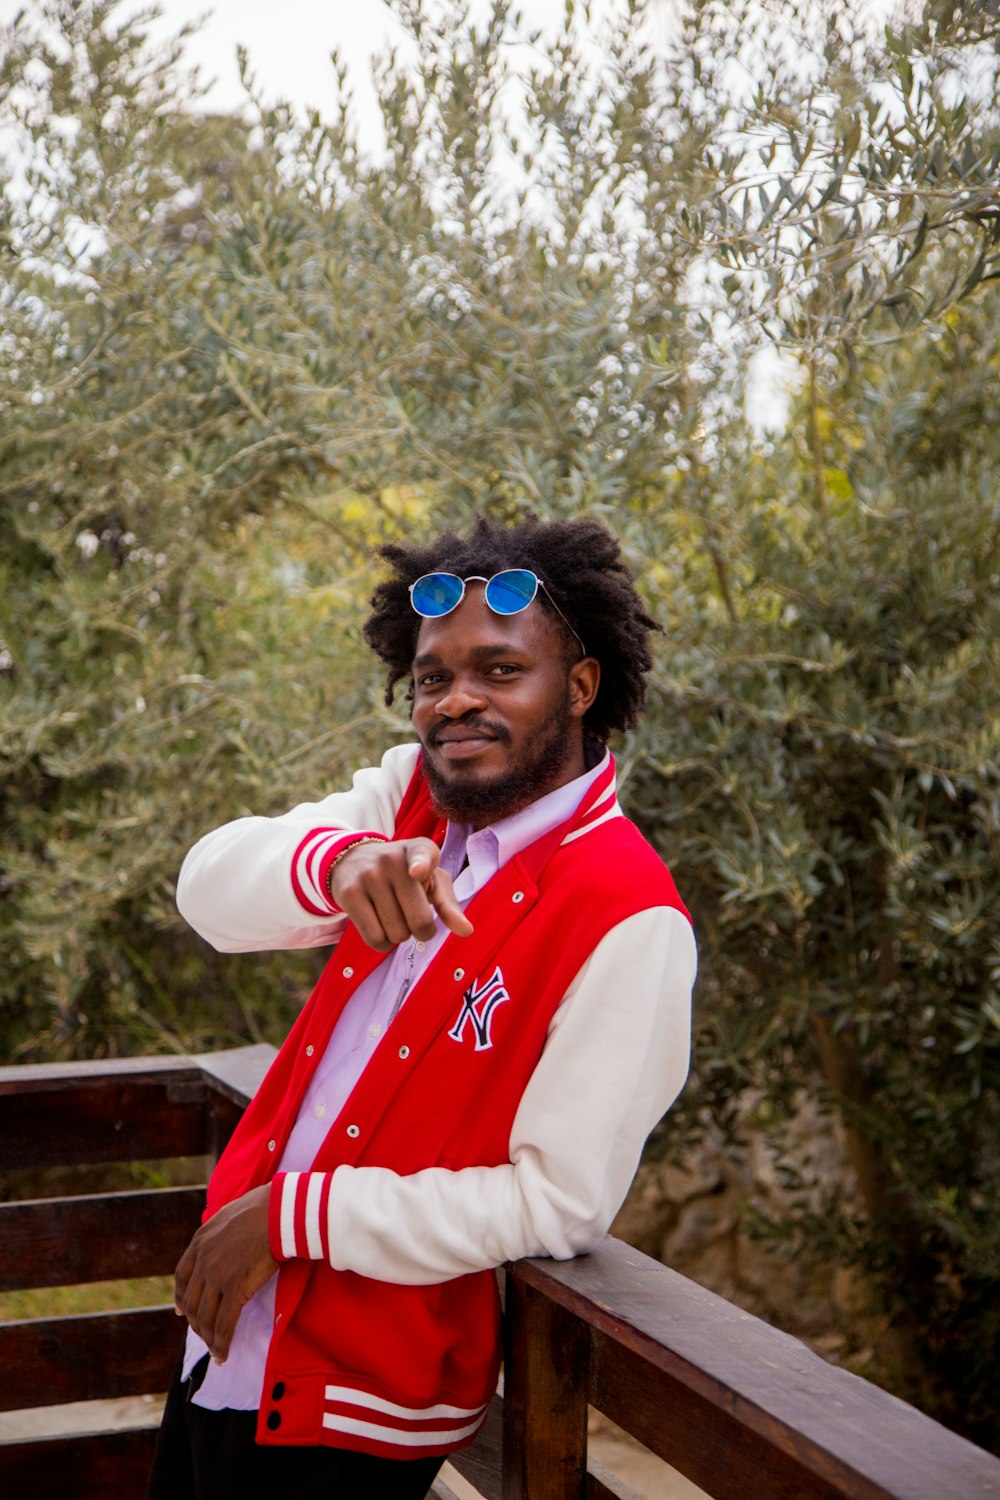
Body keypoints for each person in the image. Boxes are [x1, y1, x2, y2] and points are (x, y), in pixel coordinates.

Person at [148, 513, 696, 1500]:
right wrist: (340, 861)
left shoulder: (627, 914)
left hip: (352, 1406)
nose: (457, 702)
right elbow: (208, 892)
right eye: (434, 677)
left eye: (498, 671)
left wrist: (293, 1218)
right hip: (225, 1351)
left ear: (579, 687)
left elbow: (556, 1201)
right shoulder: (408, 802)